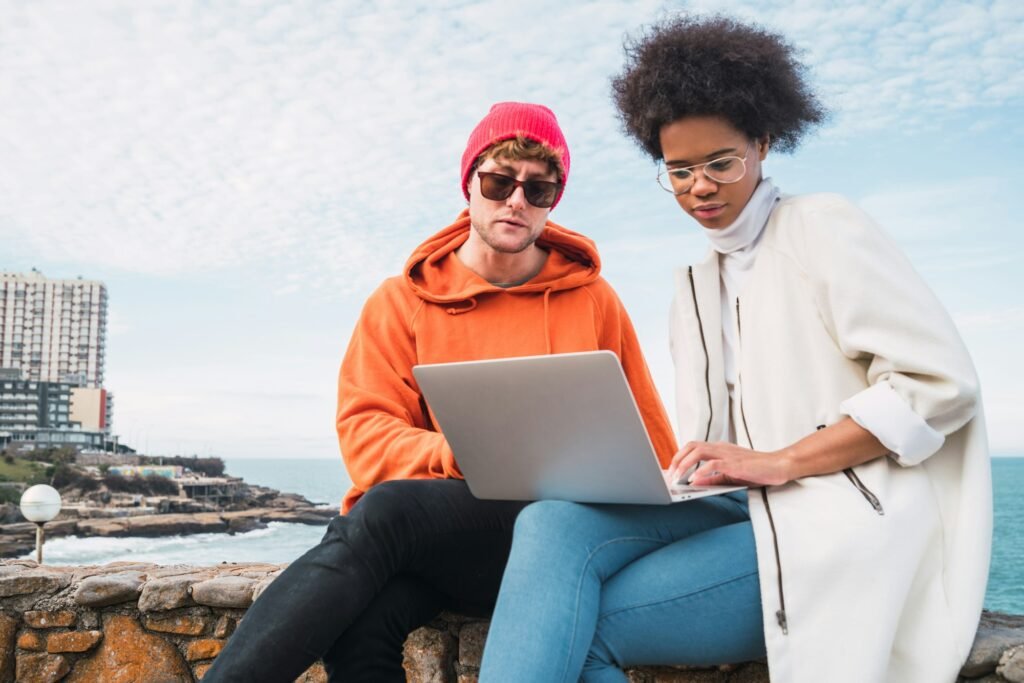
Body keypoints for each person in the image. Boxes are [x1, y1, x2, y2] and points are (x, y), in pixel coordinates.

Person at [479, 16, 991, 683]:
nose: (699, 187)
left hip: (834, 517)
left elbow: (940, 383)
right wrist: (685, 469)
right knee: (551, 521)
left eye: (721, 163)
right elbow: (719, 438)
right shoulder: (692, 285)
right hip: (737, 506)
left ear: (765, 143)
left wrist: (781, 459)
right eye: (680, 170)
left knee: (574, 624)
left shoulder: (824, 227)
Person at [204, 102, 677, 682]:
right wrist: (456, 454)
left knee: (388, 512)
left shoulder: (593, 299)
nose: (516, 201)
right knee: (361, 624)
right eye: (499, 181)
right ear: (470, 183)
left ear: (555, 198)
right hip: (451, 544)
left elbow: (650, 439)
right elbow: (365, 433)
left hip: (561, 541)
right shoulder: (401, 301)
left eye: (539, 189)